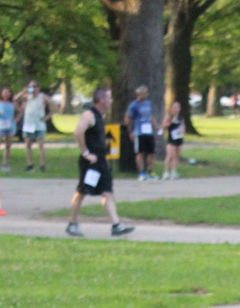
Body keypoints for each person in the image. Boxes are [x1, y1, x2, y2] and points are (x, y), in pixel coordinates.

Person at [66, 86, 135, 238]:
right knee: (82, 192)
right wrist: (86, 153)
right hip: (91, 163)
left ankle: (116, 225)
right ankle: (72, 223)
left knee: (107, 192)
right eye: (109, 98)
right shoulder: (89, 115)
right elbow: (78, 132)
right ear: (102, 100)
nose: (111, 101)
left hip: (101, 162)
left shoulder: (100, 117)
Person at [16, 80, 53, 172]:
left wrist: (47, 116)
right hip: (28, 124)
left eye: (34, 86)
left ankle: (42, 165)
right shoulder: (27, 96)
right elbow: (14, 99)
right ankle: (30, 164)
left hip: (39, 125)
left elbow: (54, 106)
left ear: (38, 88)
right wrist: (23, 92)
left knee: (40, 145)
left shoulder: (43, 97)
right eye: (30, 86)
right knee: (28, 145)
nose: (32, 88)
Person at [124, 85, 158, 180]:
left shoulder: (148, 104)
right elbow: (127, 117)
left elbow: (150, 116)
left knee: (151, 152)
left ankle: (150, 171)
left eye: (145, 93)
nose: (144, 95)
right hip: (139, 131)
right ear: (138, 94)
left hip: (148, 131)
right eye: (142, 93)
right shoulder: (134, 105)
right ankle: (141, 172)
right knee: (140, 152)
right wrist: (130, 130)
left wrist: (156, 126)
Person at [0, 87, 18, 171]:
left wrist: (17, 119)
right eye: (4, 92)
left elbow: (20, 111)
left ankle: (5, 165)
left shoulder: (12, 103)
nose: (6, 94)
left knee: (8, 146)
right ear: (1, 93)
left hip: (10, 125)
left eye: (8, 92)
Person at [162, 100, 185, 179]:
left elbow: (183, 125)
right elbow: (164, 126)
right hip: (171, 139)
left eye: (178, 107)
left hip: (178, 138)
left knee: (176, 156)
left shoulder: (180, 117)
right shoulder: (168, 116)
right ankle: (166, 172)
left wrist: (182, 131)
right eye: (174, 107)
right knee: (170, 155)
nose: (176, 109)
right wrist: (171, 121)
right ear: (171, 108)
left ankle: (174, 171)